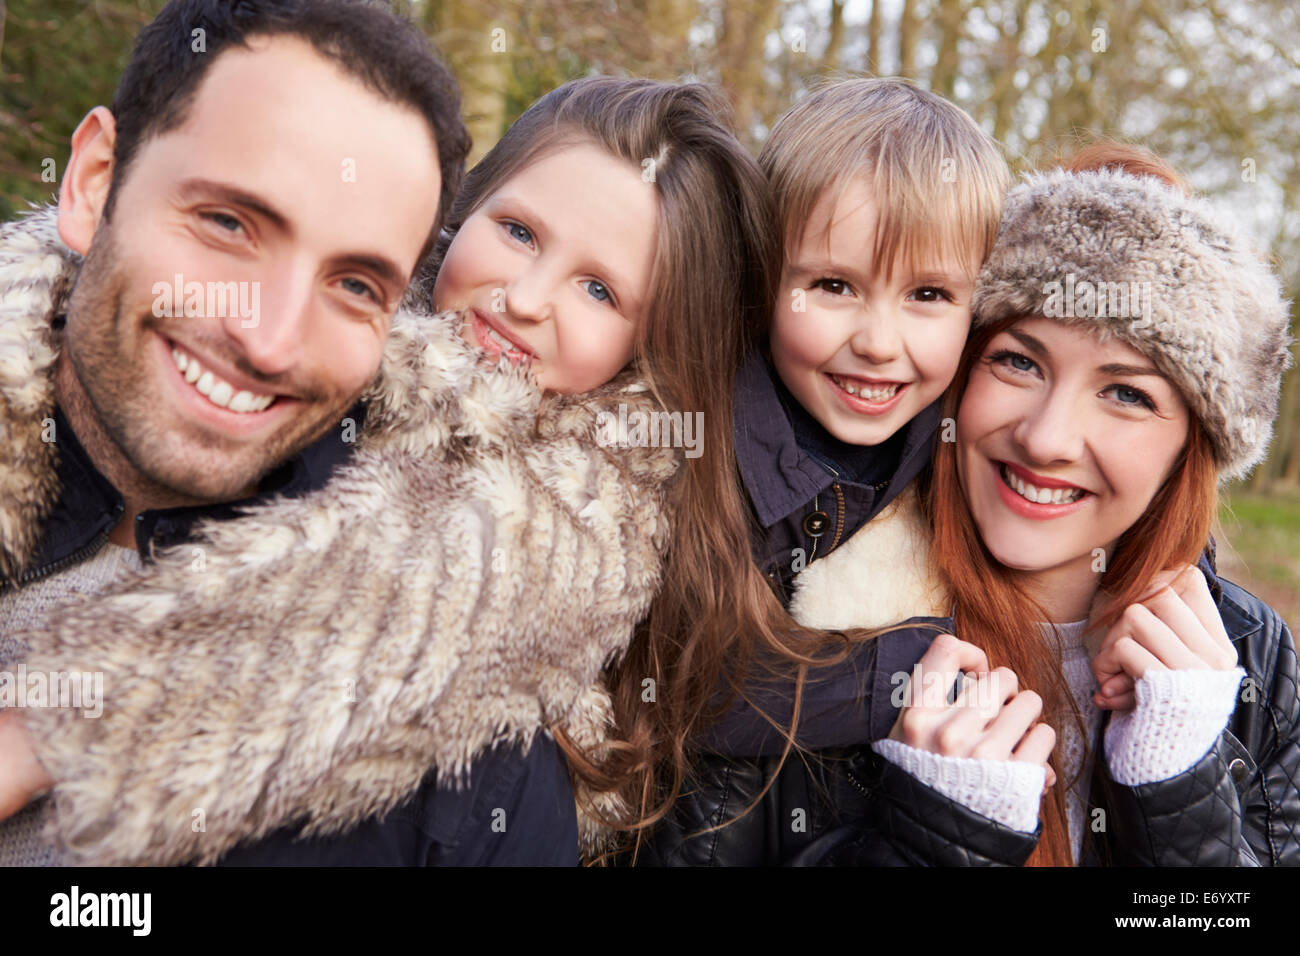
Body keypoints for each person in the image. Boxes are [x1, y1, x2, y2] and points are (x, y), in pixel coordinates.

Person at [0, 12, 776, 866]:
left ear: (650, 346)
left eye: (599, 289)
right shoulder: (298, 376)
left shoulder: (539, 575)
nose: (524, 297)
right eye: (516, 233)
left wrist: (54, 729)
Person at [672, 143, 1299, 866]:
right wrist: (930, 839)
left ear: (1194, 445)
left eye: (1126, 393)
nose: (1046, 437)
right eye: (1018, 362)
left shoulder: (1248, 659)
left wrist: (1182, 797)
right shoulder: (798, 634)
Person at [616, 77, 1010, 862]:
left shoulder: (957, 441)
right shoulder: (695, 447)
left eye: (928, 294)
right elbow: (690, 686)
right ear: (764, 283)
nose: (876, 339)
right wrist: (902, 662)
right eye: (833, 285)